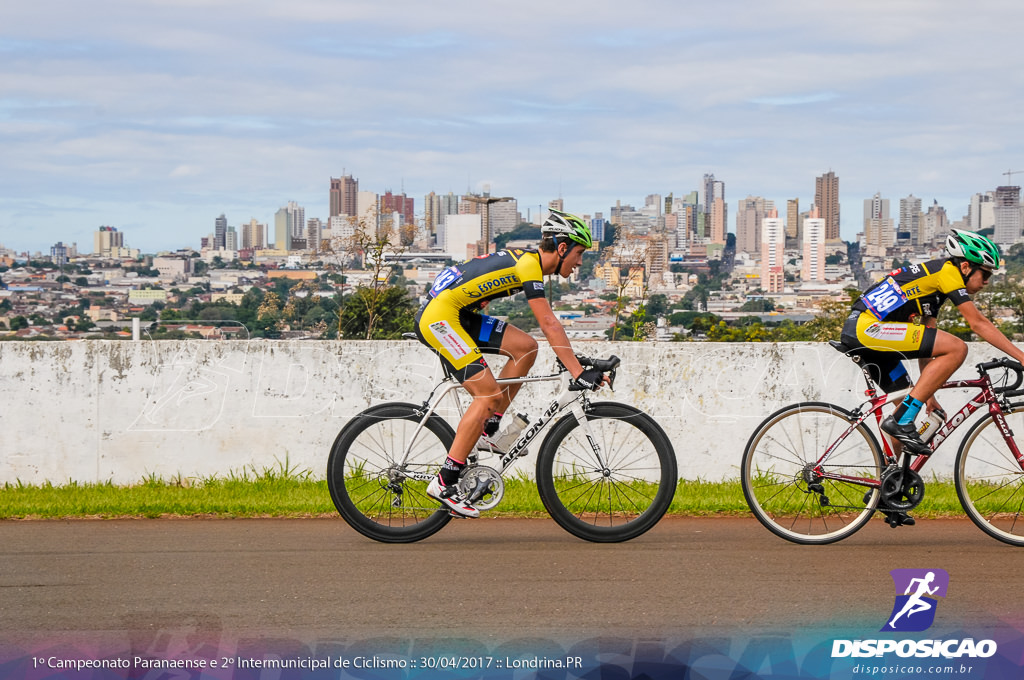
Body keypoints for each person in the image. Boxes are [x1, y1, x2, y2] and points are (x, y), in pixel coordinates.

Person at [414, 209, 607, 517]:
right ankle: (445, 481)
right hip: (440, 319)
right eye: (579, 253)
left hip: (458, 315)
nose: (580, 262)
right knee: (487, 394)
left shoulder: (525, 262)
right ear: (561, 248)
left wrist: (576, 361)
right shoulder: (530, 265)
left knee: (526, 348)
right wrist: (577, 371)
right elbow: (549, 323)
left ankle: (489, 430)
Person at [841, 228, 1024, 458]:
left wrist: (929, 396)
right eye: (985, 275)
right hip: (867, 328)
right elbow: (978, 323)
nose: (986, 282)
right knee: (957, 348)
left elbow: (927, 341)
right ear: (966, 267)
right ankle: (901, 421)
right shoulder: (948, 273)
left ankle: (891, 486)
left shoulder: (935, 287)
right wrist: (1021, 356)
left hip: (865, 332)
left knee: (902, 409)